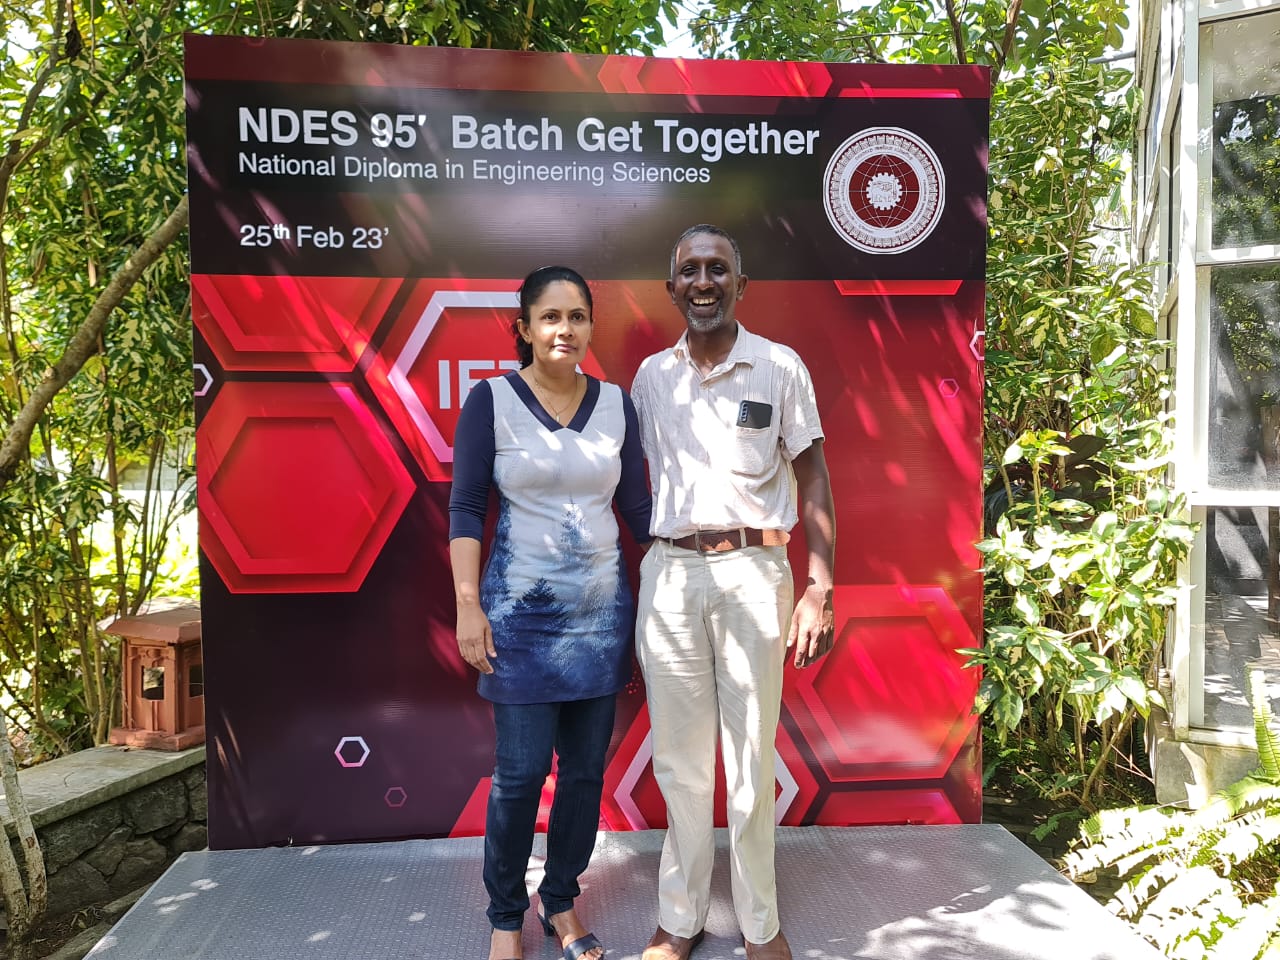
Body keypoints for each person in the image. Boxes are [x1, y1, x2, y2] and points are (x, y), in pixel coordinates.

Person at [630, 225, 837, 960]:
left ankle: (759, 924)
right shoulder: (650, 379)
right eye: (691, 270)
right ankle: (679, 920)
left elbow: (811, 476)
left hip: (756, 574)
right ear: (673, 288)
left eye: (719, 269)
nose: (705, 281)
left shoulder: (779, 368)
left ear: (741, 287)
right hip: (673, 575)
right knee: (680, 765)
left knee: (751, 761)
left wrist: (818, 586)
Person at [448, 265, 652, 960]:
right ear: (526, 329)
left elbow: (639, 514)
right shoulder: (492, 402)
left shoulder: (618, 405)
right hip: (518, 623)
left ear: (592, 326)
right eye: (550, 317)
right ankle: (506, 914)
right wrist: (469, 607)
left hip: (599, 623)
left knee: (586, 773)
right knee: (521, 773)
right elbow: (467, 508)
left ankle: (559, 899)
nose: (565, 329)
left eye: (578, 316)